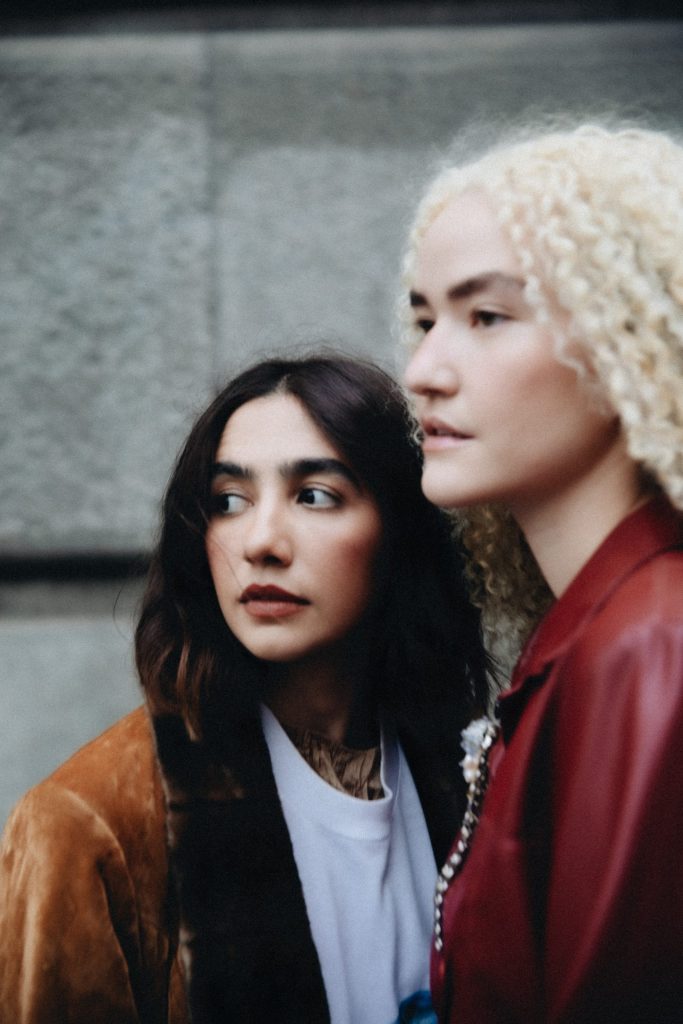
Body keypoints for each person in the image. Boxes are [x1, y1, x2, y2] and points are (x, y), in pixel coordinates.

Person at [0, 353, 490, 1024]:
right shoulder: (90, 825)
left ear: (399, 530)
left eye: (314, 495)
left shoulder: (464, 776)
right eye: (228, 502)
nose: (260, 542)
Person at [401, 122, 683, 1023]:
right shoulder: (602, 631)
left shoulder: (649, 648)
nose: (422, 371)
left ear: (626, 337)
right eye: (423, 320)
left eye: (486, 316)